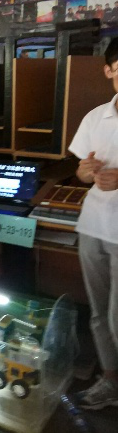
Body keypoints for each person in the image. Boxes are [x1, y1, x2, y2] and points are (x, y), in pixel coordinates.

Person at [68, 37, 118, 411]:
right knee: (99, 312)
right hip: (94, 225)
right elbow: (81, 171)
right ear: (108, 71)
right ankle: (110, 381)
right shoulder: (96, 117)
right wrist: (85, 172)